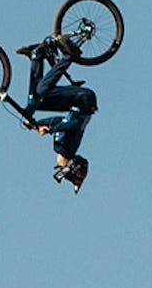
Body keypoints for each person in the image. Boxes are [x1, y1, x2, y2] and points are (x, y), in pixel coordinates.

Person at [17, 34, 98, 192]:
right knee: (42, 91)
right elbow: (69, 123)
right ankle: (69, 56)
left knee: (34, 102)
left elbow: (59, 120)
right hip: (84, 100)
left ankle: (37, 56)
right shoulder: (69, 148)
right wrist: (49, 128)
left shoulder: (60, 147)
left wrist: (37, 124)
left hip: (78, 104)